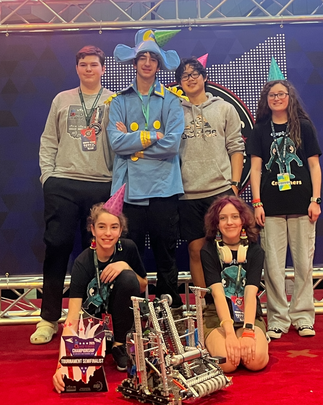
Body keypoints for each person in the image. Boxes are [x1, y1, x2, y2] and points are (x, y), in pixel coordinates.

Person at [32, 45, 115, 345]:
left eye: (94, 64)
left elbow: (121, 143)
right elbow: (48, 139)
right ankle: (48, 318)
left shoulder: (114, 101)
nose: (88, 69)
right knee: (56, 248)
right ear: (77, 68)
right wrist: (48, 177)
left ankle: (94, 318)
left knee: (97, 253)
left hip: (101, 184)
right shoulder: (62, 99)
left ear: (103, 68)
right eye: (83, 65)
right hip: (63, 183)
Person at [107, 29, 186, 308]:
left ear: (159, 64)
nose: (148, 62)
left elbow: (172, 145)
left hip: (164, 187)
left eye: (153, 58)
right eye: (143, 57)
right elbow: (116, 143)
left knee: (166, 251)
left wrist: (134, 144)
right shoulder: (119, 101)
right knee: (131, 251)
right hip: (131, 190)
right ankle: (132, 306)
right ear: (135, 62)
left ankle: (169, 305)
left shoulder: (171, 101)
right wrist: (152, 136)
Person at [246, 77, 323, 339]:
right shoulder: (260, 130)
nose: (276, 98)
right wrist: (257, 202)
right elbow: (256, 169)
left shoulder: (303, 127)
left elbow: (314, 165)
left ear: (290, 98)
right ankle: (278, 319)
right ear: (266, 100)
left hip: (302, 205)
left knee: (303, 265)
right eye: (272, 95)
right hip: (270, 207)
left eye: (281, 94)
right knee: (273, 267)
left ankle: (303, 317)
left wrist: (316, 200)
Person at [52, 187, 147, 392]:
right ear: (93, 230)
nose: (108, 233)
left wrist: (125, 266)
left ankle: (120, 345)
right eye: (102, 227)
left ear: (121, 230)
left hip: (121, 316)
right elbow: (72, 316)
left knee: (128, 278)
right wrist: (61, 365)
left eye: (114, 227)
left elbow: (142, 285)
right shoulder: (83, 262)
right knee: (85, 366)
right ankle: (100, 343)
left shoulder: (128, 248)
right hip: (92, 324)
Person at [175, 57, 244, 289]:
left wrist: (234, 185)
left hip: (220, 190)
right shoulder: (174, 112)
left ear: (205, 78)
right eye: (185, 76)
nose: (190, 79)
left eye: (195, 74)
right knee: (196, 250)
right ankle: (204, 303)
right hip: (188, 194)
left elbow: (236, 147)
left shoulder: (224, 108)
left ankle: (230, 298)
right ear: (180, 83)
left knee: (229, 248)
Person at [200, 195, 269, 372]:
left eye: (234, 217)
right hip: (217, 316)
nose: (229, 222)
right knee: (228, 363)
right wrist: (230, 333)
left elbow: (251, 294)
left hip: (248, 314)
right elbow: (217, 294)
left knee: (256, 361)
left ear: (243, 221)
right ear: (216, 224)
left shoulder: (255, 250)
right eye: (223, 218)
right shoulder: (208, 250)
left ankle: (245, 339)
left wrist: (248, 331)